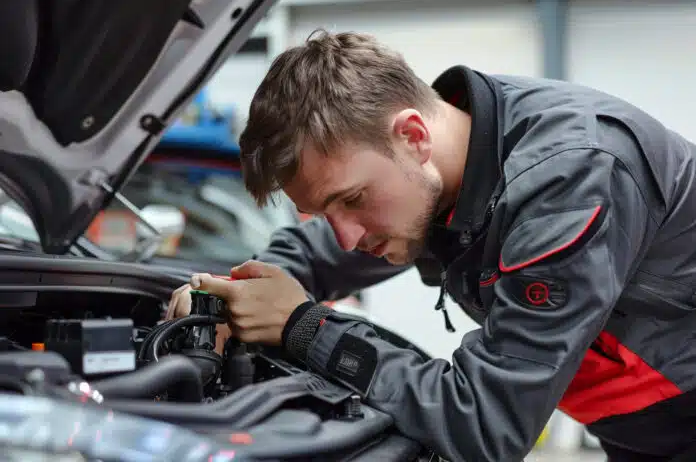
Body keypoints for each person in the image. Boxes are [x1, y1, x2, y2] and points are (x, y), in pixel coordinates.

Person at [166, 29, 696, 461]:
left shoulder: (568, 181)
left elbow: (485, 424)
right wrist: (228, 294)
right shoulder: (438, 170)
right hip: (641, 432)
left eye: (351, 200)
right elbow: (309, 255)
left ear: (413, 136)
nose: (345, 235)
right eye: (325, 212)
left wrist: (305, 328)